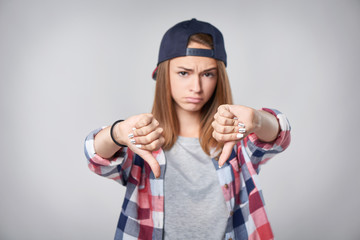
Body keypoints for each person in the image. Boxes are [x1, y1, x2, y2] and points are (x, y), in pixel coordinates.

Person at [84, 18, 291, 240]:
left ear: (219, 77)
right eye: (184, 73)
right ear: (164, 75)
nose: (196, 87)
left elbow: (279, 137)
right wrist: (117, 133)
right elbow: (96, 158)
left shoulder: (236, 140)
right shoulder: (143, 140)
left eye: (208, 74)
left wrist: (258, 120)